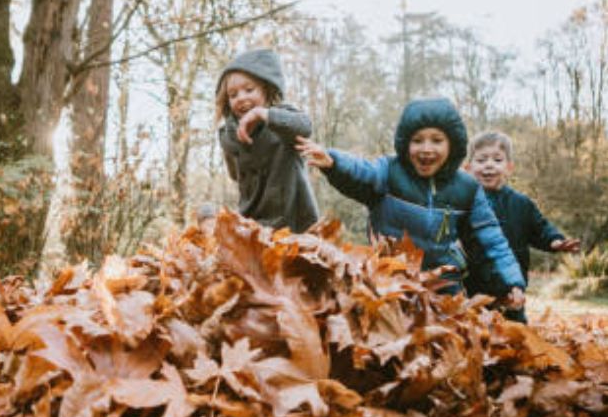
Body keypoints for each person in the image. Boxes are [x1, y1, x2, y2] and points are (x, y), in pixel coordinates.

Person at [296, 97, 525, 307]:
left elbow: (491, 239)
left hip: (443, 284)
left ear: (452, 145)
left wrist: (511, 281)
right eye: (418, 140)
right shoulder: (389, 172)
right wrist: (334, 162)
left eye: (437, 140)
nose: (426, 149)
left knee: (453, 335)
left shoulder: (467, 188)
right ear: (406, 144)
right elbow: (362, 172)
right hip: (390, 280)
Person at [463, 131, 580, 322]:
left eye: (497, 160)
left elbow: (540, 228)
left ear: (509, 168)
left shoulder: (521, 204)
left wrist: (555, 241)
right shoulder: (463, 203)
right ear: (468, 168)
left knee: (515, 334)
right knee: (473, 335)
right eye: (481, 160)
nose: (489, 165)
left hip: (511, 290)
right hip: (472, 288)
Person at [216, 48, 320, 233]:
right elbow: (235, 174)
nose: (241, 98)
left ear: (266, 89)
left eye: (249, 90)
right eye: (233, 95)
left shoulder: (282, 120)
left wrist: (262, 114)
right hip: (254, 227)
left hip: (295, 225)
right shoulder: (228, 135)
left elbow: (305, 126)